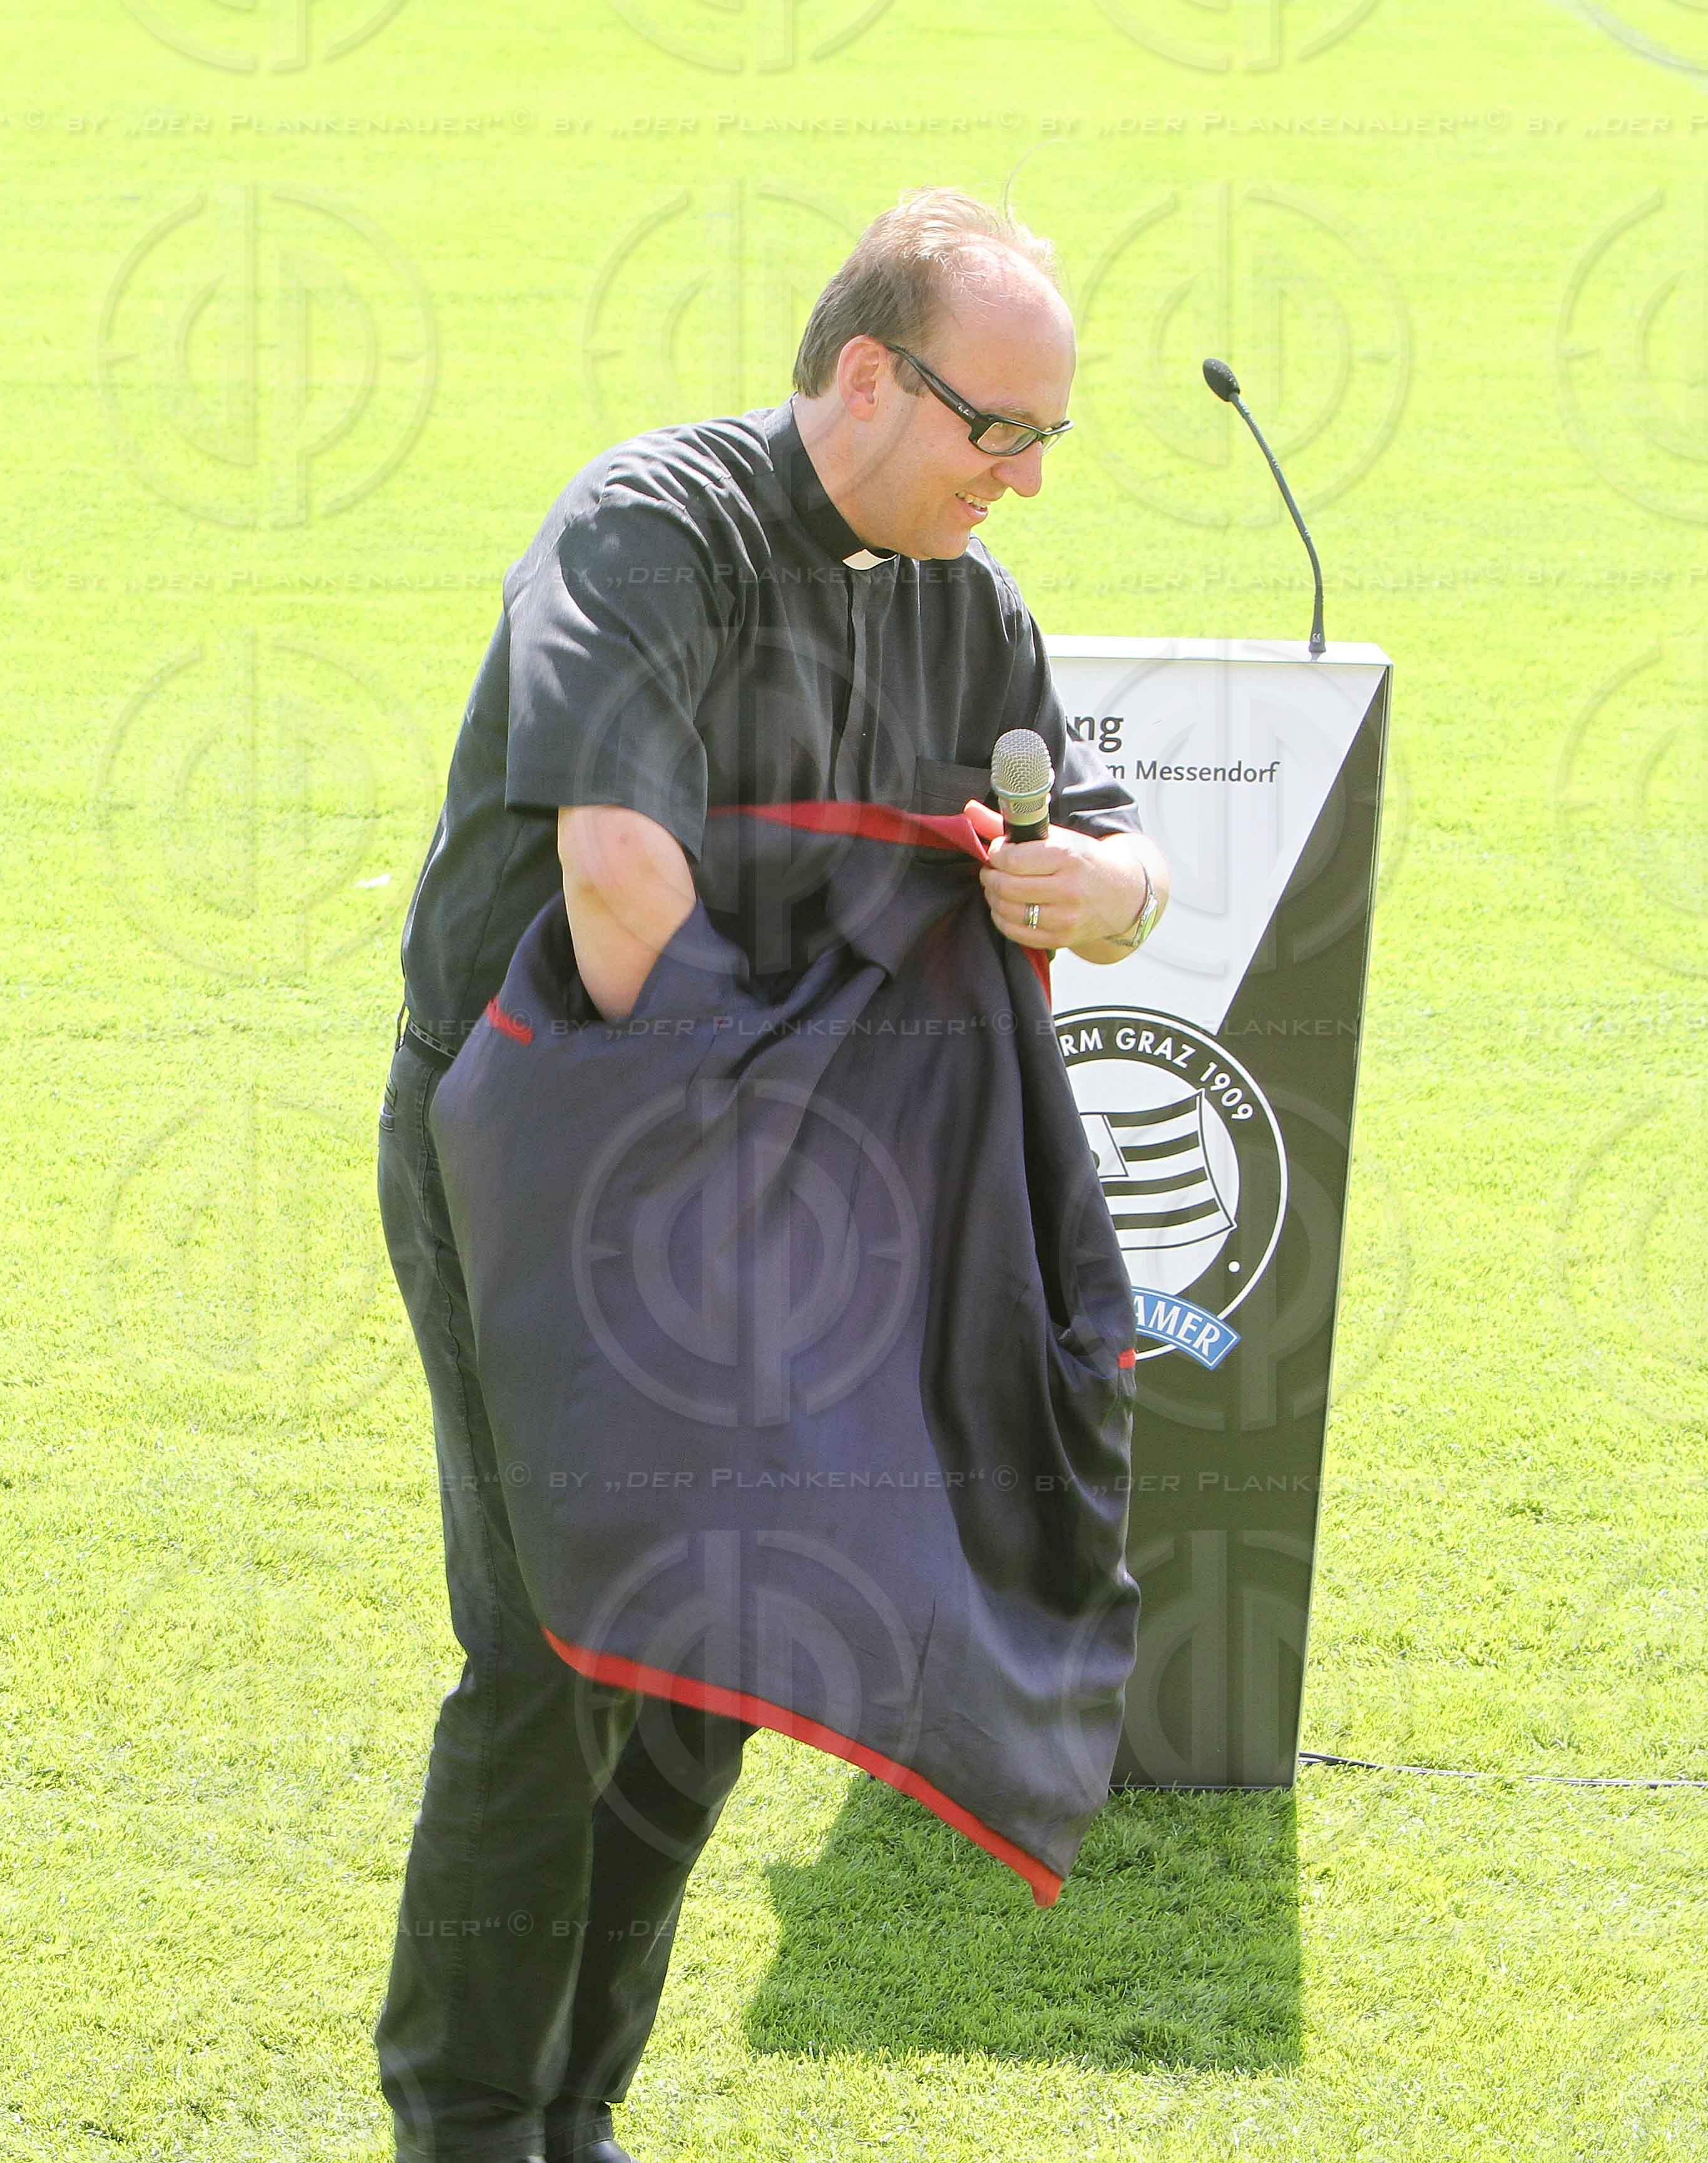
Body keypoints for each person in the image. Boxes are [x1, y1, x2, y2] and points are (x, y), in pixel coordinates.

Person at [372, 186, 1174, 2163]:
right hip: (556, 1171)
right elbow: (616, 879)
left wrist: (1105, 884)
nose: (1026, 482)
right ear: (870, 375)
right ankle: (466, 2125)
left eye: (1050, 441)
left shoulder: (967, 604)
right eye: (1003, 432)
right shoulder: (657, 528)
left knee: (716, 1654)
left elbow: (1113, 848)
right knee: (557, 1650)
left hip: (784, 1206)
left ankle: (577, 2112)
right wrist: (696, 1162)